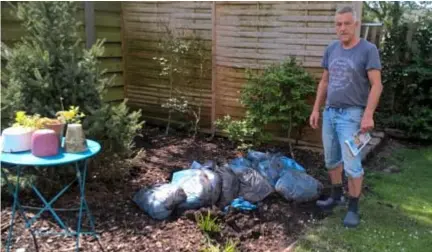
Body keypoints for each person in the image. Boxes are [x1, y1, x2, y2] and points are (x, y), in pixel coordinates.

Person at [309, 6, 383, 228]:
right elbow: (324, 81)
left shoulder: (368, 50)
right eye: (338, 24)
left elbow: (377, 85)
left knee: (352, 166)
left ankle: (353, 208)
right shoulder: (332, 48)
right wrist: (315, 109)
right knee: (331, 160)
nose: (342, 28)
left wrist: (368, 114)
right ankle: (336, 196)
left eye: (346, 23)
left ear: (356, 25)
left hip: (352, 117)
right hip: (330, 113)